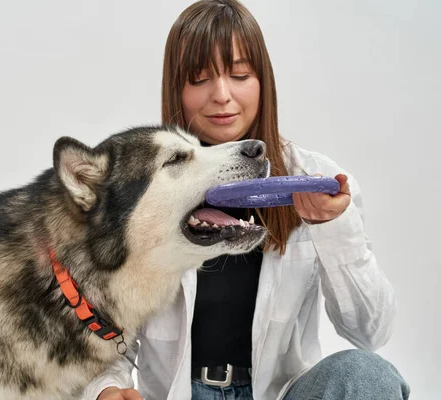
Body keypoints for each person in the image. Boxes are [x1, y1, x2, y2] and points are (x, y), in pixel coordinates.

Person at [84, 1, 410, 399]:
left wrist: (334, 229)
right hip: (178, 393)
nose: (222, 96)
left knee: (367, 373)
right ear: (177, 88)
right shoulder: (142, 191)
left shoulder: (312, 179)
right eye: (200, 78)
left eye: (239, 74)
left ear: (262, 82)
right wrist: (107, 387)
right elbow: (107, 329)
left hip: (278, 393)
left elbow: (369, 331)